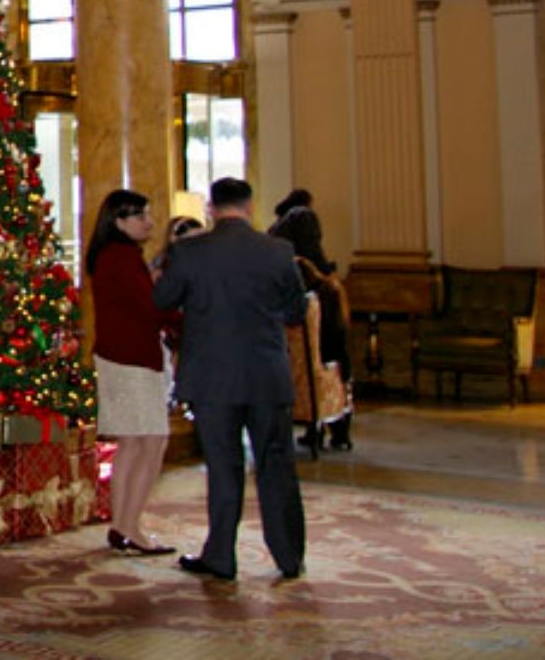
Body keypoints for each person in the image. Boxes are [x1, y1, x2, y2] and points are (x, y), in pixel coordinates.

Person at [154, 177, 308, 583]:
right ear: (249, 206)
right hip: (266, 376)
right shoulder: (279, 251)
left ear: (211, 209)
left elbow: (163, 301)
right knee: (277, 465)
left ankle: (221, 556)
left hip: (212, 377)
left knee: (224, 467)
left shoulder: (190, 253)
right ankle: (289, 556)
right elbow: (295, 313)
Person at [85, 189, 178, 557]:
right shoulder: (121, 259)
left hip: (118, 357)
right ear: (119, 221)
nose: (150, 223)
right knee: (151, 442)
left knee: (133, 445)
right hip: (132, 360)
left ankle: (123, 524)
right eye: (141, 216)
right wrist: (185, 317)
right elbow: (150, 308)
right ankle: (130, 525)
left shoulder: (111, 256)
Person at [269, 189, 352, 451]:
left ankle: (310, 429)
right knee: (336, 364)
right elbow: (338, 336)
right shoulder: (322, 284)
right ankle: (339, 432)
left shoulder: (279, 266)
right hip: (327, 351)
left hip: (289, 360)